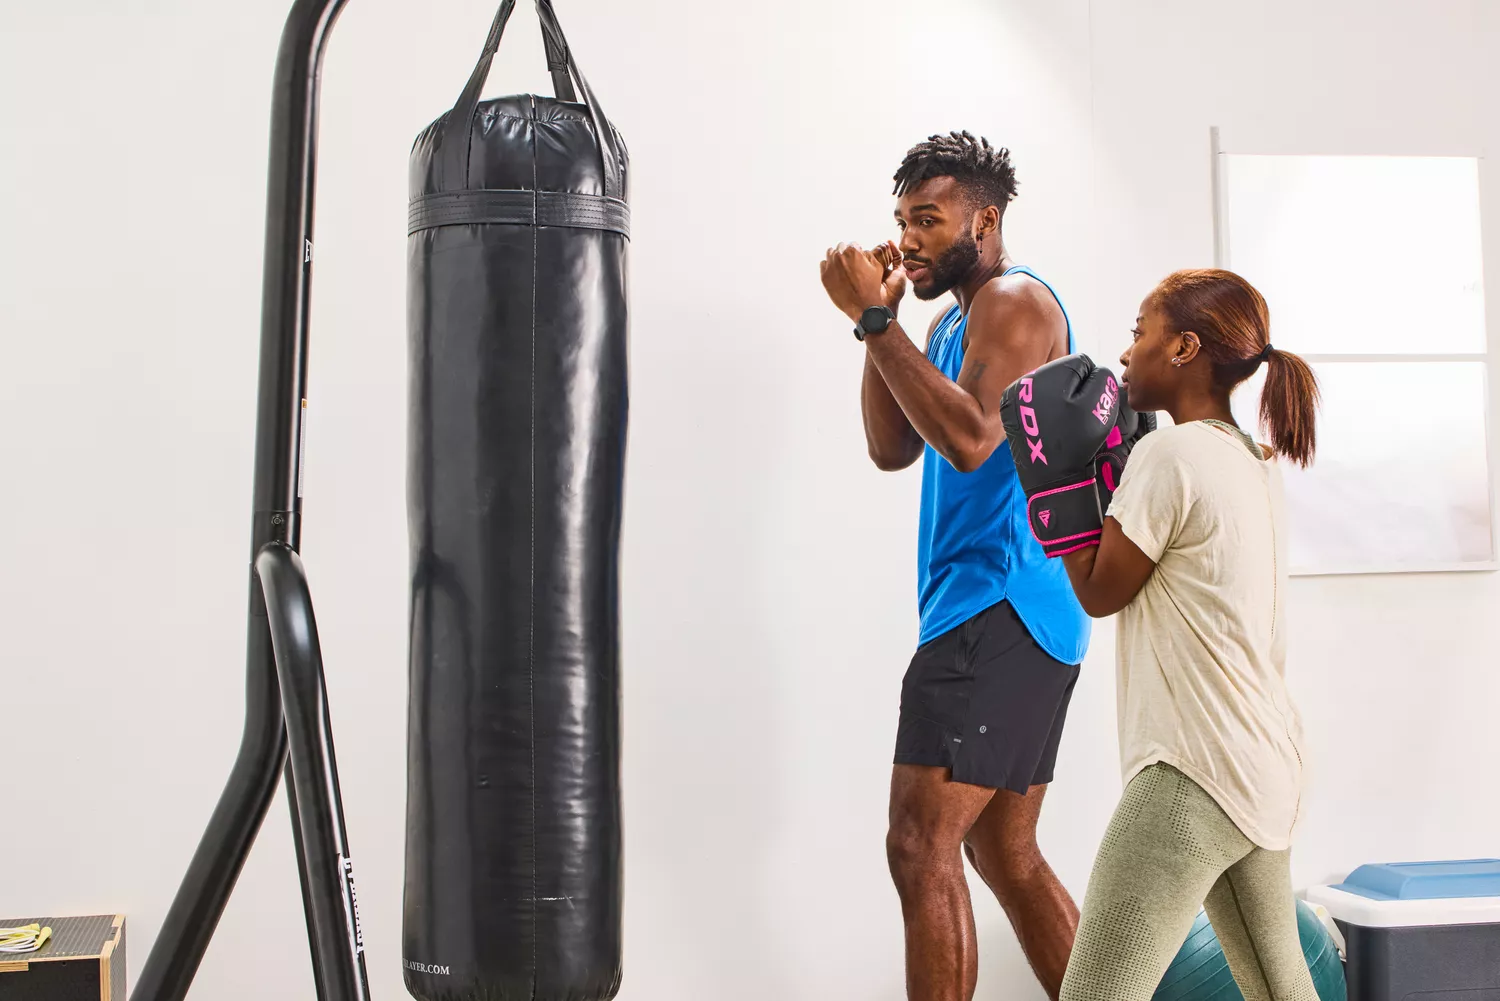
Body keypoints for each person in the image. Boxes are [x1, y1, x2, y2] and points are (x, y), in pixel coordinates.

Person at [819, 131, 1089, 1001]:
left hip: (998, 607)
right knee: (1002, 853)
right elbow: (892, 447)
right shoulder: (946, 323)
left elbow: (973, 440)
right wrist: (883, 326)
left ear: (987, 218)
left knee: (918, 842)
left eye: (929, 221)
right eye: (901, 222)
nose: (909, 240)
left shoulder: (1013, 301)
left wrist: (870, 319)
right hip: (1001, 612)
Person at [1004, 268, 1321, 999]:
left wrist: (1054, 485)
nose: (1125, 352)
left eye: (1139, 332)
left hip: (1192, 771)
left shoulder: (1169, 456)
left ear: (1183, 348)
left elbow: (1100, 590)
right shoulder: (1253, 460)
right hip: (1266, 759)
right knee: (1280, 986)